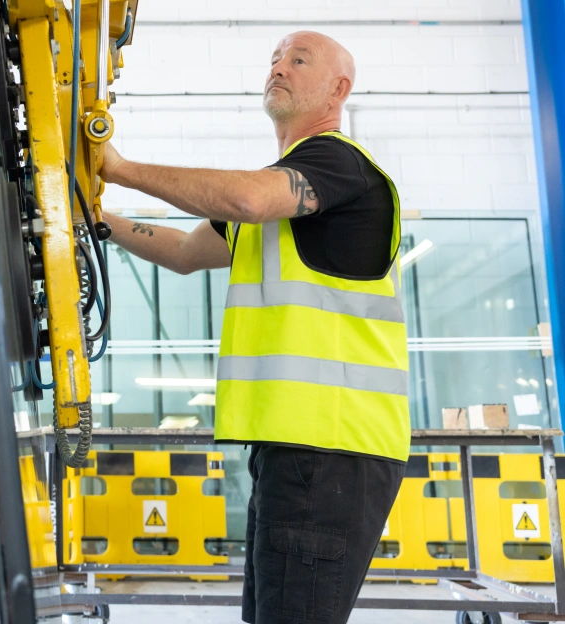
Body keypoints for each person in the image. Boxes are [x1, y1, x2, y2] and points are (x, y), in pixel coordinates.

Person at [100, 30, 408, 624]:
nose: (279, 68)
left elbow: (245, 199)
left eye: (299, 60)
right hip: (295, 446)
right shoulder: (284, 196)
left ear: (338, 89)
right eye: (274, 59)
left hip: (331, 444)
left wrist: (122, 169)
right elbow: (188, 251)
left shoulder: (337, 164)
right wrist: (98, 219)